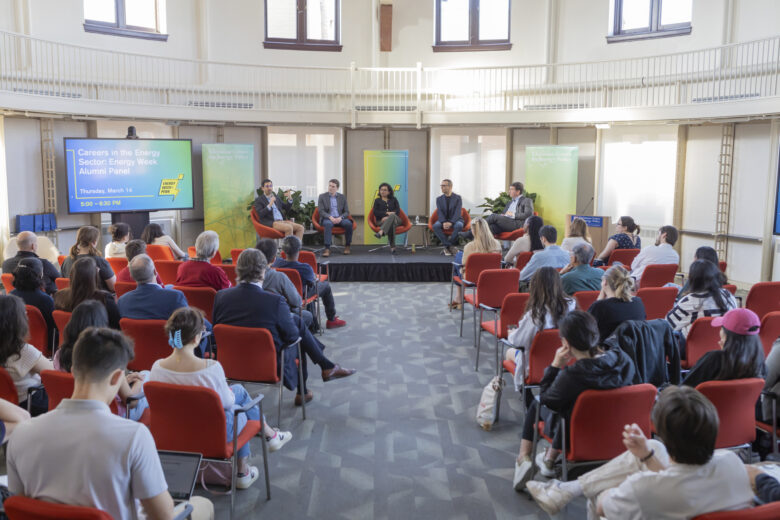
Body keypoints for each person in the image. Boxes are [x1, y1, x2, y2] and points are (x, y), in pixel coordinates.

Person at [7, 327, 215, 520]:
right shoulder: (134, 437)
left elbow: (21, 502)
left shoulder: (22, 433)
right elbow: (162, 515)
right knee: (201, 504)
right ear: (117, 377)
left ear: (74, 368)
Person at [526, 386, 753, 519]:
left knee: (596, 494)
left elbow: (603, 504)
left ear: (662, 432)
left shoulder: (642, 488)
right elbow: (680, 484)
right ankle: (565, 490)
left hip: (647, 504)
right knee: (653, 449)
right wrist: (646, 456)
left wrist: (620, 484)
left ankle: (566, 491)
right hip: (685, 501)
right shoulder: (732, 463)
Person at [150, 307, 292, 490]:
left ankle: (268, 438)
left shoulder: (156, 368)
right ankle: (245, 469)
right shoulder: (210, 368)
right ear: (196, 338)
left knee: (238, 393)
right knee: (239, 411)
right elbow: (228, 403)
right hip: (212, 434)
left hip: (171, 433)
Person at [213, 249, 355, 406]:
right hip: (267, 364)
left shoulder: (220, 297)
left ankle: (326, 367)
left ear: (237, 269)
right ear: (263, 272)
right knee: (298, 334)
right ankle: (305, 389)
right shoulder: (274, 301)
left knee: (296, 321)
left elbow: (215, 332)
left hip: (229, 363)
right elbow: (292, 337)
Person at [512, 310, 635, 489]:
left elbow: (547, 399)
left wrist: (555, 366)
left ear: (565, 343)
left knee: (537, 403)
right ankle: (549, 459)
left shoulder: (573, 375)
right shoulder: (623, 359)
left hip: (579, 434)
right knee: (575, 403)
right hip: (620, 433)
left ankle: (523, 458)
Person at [54, 300, 149, 421]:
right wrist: (139, 382)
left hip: (71, 411)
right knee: (147, 375)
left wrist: (124, 380)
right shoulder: (107, 358)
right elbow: (131, 402)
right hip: (112, 415)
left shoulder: (59, 354)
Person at [119, 254, 211, 358]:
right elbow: (190, 325)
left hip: (137, 358)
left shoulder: (122, 301)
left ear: (132, 276)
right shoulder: (174, 297)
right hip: (174, 359)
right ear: (155, 272)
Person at [505, 267, 576, 384]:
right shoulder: (571, 305)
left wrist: (511, 334)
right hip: (566, 361)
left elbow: (518, 342)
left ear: (535, 286)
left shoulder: (535, 315)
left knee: (509, 352)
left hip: (536, 366)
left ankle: (526, 395)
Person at [273, 236, 345, 329]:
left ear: (283, 250)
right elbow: (313, 281)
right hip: (301, 295)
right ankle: (331, 320)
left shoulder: (276, 263)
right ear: (299, 249)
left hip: (282, 295)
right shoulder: (305, 268)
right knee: (325, 286)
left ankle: (314, 322)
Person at [682, 307, 765, 388]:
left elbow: (684, 390)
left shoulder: (714, 359)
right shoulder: (760, 365)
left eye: (722, 328)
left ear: (727, 335)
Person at [0, 294, 53, 415]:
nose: (27, 317)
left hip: (4, 404)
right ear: (17, 322)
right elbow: (54, 374)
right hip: (29, 403)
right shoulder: (23, 351)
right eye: (24, 313)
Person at [666, 259, 737, 340]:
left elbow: (668, 325)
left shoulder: (690, 301)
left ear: (692, 279)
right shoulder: (728, 295)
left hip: (692, 346)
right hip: (725, 343)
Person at [255, 239, 315, 328]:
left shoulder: (245, 277)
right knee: (307, 316)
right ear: (273, 259)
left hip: (254, 316)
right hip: (276, 316)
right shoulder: (280, 277)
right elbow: (297, 302)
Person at [55, 256, 121, 329]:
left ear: (72, 275)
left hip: (70, 338)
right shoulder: (104, 299)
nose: (98, 270)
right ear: (94, 276)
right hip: (96, 339)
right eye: (96, 269)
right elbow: (117, 326)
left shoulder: (59, 296)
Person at [451, 218, 501, 309]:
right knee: (459, 255)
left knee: (457, 260)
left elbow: (464, 265)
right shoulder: (497, 244)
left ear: (474, 231)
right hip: (491, 277)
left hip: (472, 279)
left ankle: (459, 297)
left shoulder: (469, 246)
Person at [588, 265, 646, 343]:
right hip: (635, 351)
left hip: (607, 353)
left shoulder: (600, 307)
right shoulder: (638, 302)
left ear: (605, 282)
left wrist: (600, 298)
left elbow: (585, 330)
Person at [10, 258, 56, 354]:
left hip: (15, 346)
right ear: (40, 274)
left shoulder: (10, 296)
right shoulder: (46, 300)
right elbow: (53, 331)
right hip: (42, 349)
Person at [60, 226, 116, 292]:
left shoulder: (66, 260)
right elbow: (113, 287)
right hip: (97, 300)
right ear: (94, 242)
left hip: (73, 300)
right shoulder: (100, 261)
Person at [317, 178, 353, 257]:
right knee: (328, 224)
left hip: (339, 218)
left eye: (333, 186)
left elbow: (347, 211)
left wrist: (341, 218)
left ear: (337, 188)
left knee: (348, 224)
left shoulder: (342, 197)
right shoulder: (322, 196)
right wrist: (330, 217)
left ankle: (347, 246)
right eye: (330, 186)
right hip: (328, 218)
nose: (330, 188)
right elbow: (321, 211)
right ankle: (327, 248)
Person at [432, 178, 464, 256]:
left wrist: (451, 222)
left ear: (450, 187)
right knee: (436, 226)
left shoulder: (458, 198)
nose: (441, 187)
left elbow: (457, 212)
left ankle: (447, 247)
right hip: (443, 220)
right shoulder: (439, 199)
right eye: (441, 185)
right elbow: (440, 212)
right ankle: (449, 246)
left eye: (444, 185)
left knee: (459, 225)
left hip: (455, 220)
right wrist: (443, 222)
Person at [372, 182, 401, 254]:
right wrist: (386, 214)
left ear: (389, 191)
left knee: (392, 216)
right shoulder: (377, 200)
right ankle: (393, 248)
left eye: (385, 190)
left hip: (397, 220)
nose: (382, 191)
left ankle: (381, 232)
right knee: (391, 225)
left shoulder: (394, 199)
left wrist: (389, 216)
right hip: (381, 221)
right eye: (381, 189)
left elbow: (397, 211)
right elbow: (375, 212)